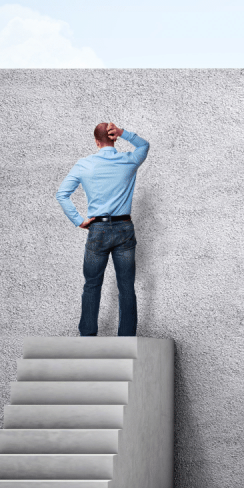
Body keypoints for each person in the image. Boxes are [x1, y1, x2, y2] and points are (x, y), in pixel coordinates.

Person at [55, 122, 150, 337]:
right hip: (124, 228)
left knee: (92, 284)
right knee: (126, 286)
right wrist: (124, 132)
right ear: (114, 138)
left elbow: (62, 194)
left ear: (96, 142)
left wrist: (79, 220)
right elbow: (144, 146)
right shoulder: (128, 160)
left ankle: (87, 336)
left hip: (98, 229)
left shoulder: (84, 164)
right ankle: (126, 337)